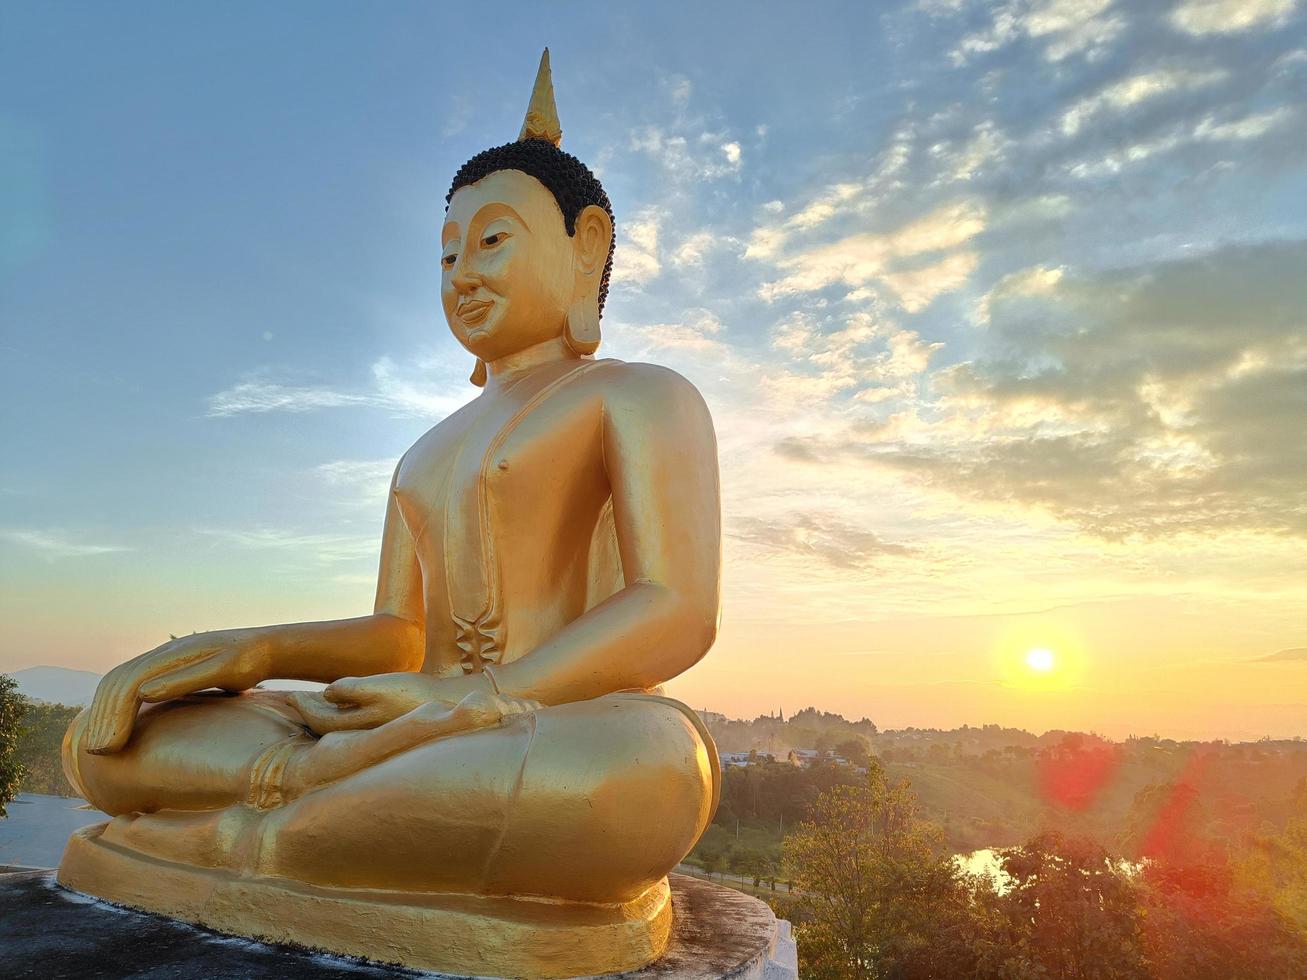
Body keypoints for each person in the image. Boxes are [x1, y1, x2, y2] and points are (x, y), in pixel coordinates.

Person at [59, 51, 722, 978]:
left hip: (550, 722)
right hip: (391, 723)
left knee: (636, 774)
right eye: (446, 253)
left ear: (587, 246)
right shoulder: (425, 449)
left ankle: (235, 840)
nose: (461, 273)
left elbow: (676, 607)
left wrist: (473, 700)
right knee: (105, 743)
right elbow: (399, 633)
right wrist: (252, 651)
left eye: (491, 241)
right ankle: (293, 807)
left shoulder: (640, 396)